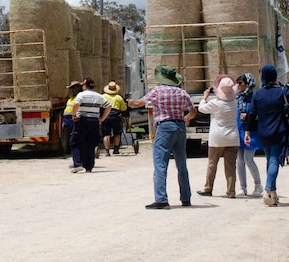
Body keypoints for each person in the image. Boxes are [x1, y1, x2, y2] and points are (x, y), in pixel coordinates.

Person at [128, 65, 197, 209]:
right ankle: (186, 197)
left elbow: (139, 103)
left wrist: (129, 102)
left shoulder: (158, 91)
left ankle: (161, 199)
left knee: (160, 164)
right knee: (182, 164)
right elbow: (193, 111)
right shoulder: (182, 93)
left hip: (165, 126)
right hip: (180, 126)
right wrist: (186, 117)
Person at [245, 65, 289, 206]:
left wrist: (248, 131)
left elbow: (251, 114)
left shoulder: (257, 94)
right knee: (274, 160)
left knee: (270, 160)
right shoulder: (282, 91)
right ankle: (268, 190)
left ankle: (273, 193)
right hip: (279, 130)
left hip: (263, 131)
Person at [196, 75, 239, 198]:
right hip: (233, 137)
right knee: (231, 166)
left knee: (212, 163)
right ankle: (231, 191)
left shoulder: (216, 103)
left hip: (217, 138)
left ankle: (208, 188)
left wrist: (204, 98)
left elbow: (202, 109)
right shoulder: (235, 102)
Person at [70, 78, 112, 173]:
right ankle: (88, 166)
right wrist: (102, 118)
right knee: (90, 144)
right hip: (94, 121)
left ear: (85, 86)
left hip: (83, 120)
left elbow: (76, 104)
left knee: (75, 141)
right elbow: (109, 106)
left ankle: (78, 164)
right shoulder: (98, 96)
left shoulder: (81, 94)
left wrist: (73, 115)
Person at [235, 73, 264, 197]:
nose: (238, 85)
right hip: (239, 131)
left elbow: (259, 114)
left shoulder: (254, 98)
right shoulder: (238, 98)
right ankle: (242, 187)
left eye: (240, 83)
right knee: (239, 160)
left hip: (251, 131)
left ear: (248, 84)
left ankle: (258, 185)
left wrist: (249, 116)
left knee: (249, 159)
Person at [101, 80, 128, 156]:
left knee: (106, 134)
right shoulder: (119, 98)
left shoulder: (103, 97)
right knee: (117, 133)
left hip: (106, 116)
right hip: (116, 116)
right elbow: (123, 108)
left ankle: (107, 150)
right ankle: (116, 149)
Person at [62, 81, 82, 168]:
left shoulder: (79, 98)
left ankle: (78, 162)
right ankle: (76, 161)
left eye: (73, 88)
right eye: (71, 89)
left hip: (75, 120)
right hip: (68, 121)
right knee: (71, 141)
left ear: (78, 88)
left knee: (75, 141)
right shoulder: (71, 98)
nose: (72, 90)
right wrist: (64, 121)